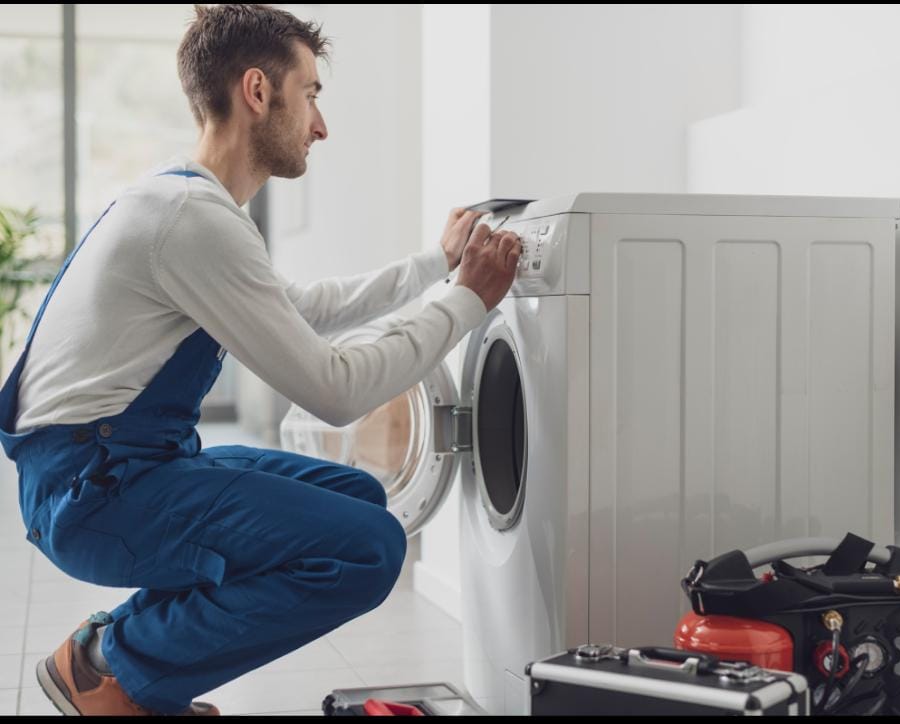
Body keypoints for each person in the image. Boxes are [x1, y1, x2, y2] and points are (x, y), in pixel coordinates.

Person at [0, 4, 520, 716]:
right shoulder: (191, 222)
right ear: (256, 91)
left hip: (116, 470)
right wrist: (468, 300)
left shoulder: (182, 202)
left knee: (357, 501)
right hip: (95, 492)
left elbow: (305, 306)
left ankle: (108, 657)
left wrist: (437, 265)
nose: (321, 125)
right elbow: (336, 391)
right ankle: (117, 670)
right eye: (310, 94)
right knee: (367, 547)